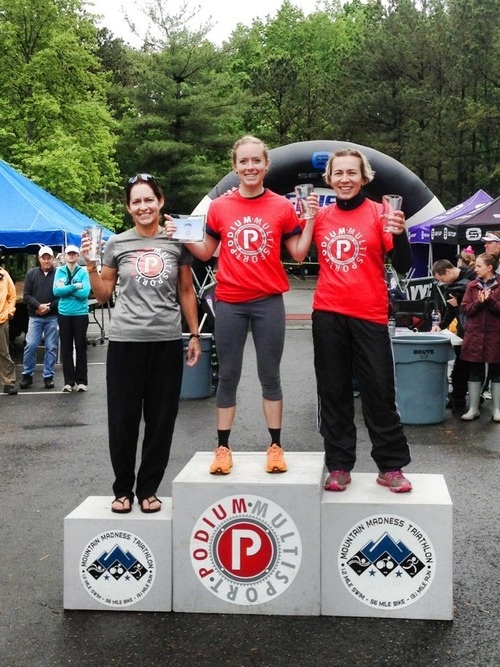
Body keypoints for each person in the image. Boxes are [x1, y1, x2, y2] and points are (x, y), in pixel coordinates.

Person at [166, 135, 316, 475]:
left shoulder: (280, 206)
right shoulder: (220, 206)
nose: (250, 167)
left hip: (268, 302)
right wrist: (181, 233)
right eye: (243, 162)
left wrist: (309, 220)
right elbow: (206, 252)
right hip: (230, 301)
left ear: (266, 165)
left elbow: (298, 253)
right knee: (228, 376)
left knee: (270, 375)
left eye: (255, 161)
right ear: (235, 167)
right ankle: (222, 447)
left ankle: (275, 446)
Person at [80, 173, 202, 514]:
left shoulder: (176, 241)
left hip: (165, 342)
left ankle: (148, 489)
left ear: (160, 202)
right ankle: (122, 490)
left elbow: (186, 291)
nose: (144, 206)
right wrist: (90, 267)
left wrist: (193, 334)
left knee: (161, 420)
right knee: (123, 419)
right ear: (128, 207)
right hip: (125, 343)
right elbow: (103, 295)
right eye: (137, 201)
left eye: (149, 199)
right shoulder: (116, 244)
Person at [295, 148, 413, 493]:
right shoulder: (321, 217)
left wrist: (402, 231)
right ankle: (339, 465)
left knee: (379, 391)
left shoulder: (382, 213)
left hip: (370, 313)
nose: (345, 179)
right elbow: (292, 247)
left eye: (352, 173)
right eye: (338, 173)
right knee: (333, 392)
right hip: (329, 313)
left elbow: (404, 266)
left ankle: (390, 466)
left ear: (364, 178)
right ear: (329, 179)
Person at [459, 252, 500, 422]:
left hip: (495, 335)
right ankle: (473, 409)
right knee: (474, 372)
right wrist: (479, 302)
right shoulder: (472, 286)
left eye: (479, 266)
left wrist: (490, 300)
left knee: (497, 372)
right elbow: (465, 309)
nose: (475, 269)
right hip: (475, 335)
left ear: (490, 267)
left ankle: (497, 409)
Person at [431, 258, 475, 414]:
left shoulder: (472, 277)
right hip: (463, 329)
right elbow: (450, 308)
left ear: (448, 271)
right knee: (461, 366)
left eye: (441, 278)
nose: (442, 282)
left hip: (475, 329)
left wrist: (461, 302)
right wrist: (441, 325)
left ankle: (463, 399)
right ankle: (459, 398)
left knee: (467, 368)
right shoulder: (450, 286)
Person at [53, 245, 91, 392]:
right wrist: (75, 286)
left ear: (77, 256)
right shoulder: (59, 271)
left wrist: (67, 290)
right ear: (65, 256)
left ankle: (82, 381)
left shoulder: (83, 271)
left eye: (74, 253)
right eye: (69, 253)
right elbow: (56, 291)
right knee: (66, 348)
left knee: (81, 346)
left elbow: (85, 293)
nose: (71, 256)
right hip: (64, 314)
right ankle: (68, 382)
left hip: (80, 314)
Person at [19, 247, 59, 390]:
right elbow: (27, 295)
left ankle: (48, 376)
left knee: (51, 347)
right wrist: (38, 306)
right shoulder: (31, 274)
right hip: (35, 316)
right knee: (31, 345)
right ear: (39, 258)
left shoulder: (58, 274)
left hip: (52, 316)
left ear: (53, 258)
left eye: (49, 258)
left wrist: (49, 307)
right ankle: (27, 375)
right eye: (44, 258)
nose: (46, 260)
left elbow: (61, 295)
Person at [0, 266, 18, 395]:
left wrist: (10, 312)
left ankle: (8, 383)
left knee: (4, 352)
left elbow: (12, 295)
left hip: (2, 319)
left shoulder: (4, 274)